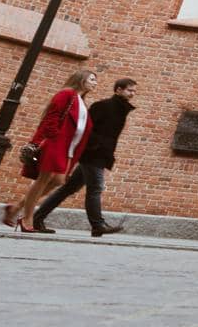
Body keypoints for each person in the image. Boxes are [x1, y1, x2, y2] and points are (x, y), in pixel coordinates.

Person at [30, 78, 136, 237]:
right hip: (93, 154)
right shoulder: (103, 106)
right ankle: (97, 225)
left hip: (102, 154)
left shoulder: (122, 109)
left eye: (134, 91)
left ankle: (37, 218)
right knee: (96, 187)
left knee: (68, 188)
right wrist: (96, 145)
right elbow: (87, 128)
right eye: (130, 90)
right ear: (118, 90)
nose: (133, 94)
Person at [5, 70, 96, 233]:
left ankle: (16, 207)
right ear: (81, 80)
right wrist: (54, 137)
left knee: (59, 180)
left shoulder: (81, 100)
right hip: (56, 143)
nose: (95, 83)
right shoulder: (66, 94)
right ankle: (26, 219)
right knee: (43, 179)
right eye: (92, 79)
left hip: (69, 148)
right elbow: (51, 117)